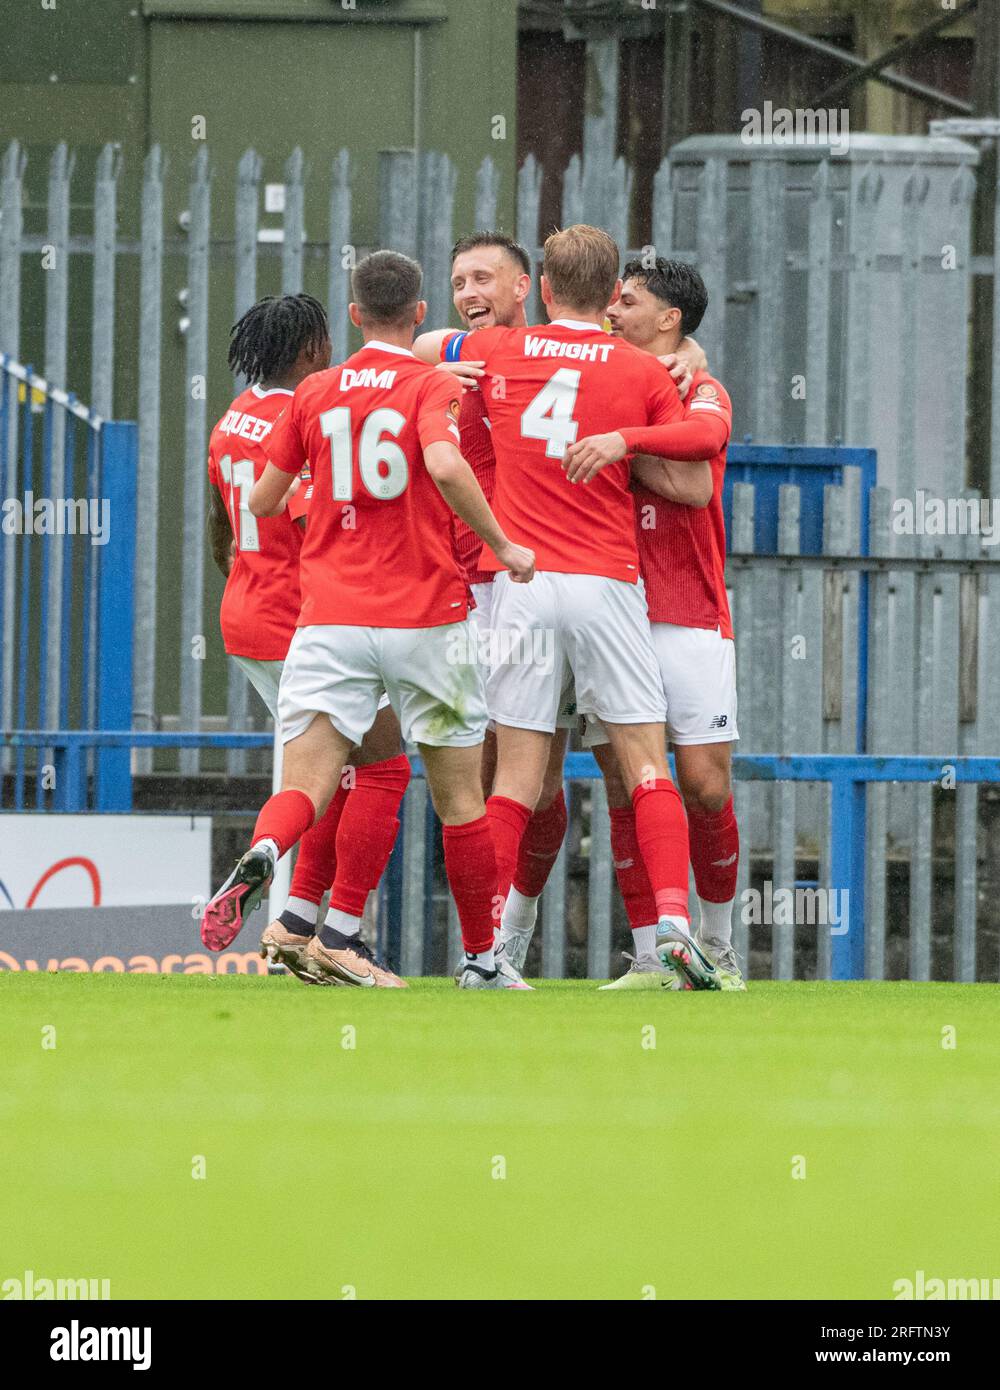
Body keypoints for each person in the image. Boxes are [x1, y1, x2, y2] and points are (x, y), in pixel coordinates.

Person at [200, 251, 536, 989]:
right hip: (425, 617)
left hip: (329, 621)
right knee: (460, 800)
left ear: (354, 316)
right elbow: (447, 468)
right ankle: (482, 960)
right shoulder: (430, 382)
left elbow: (259, 502)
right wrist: (504, 543)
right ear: (419, 314)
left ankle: (264, 860)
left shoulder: (314, 394)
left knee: (311, 783)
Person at [415, 224, 720, 989]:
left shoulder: (498, 354)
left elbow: (422, 350)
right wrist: (644, 417)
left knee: (514, 779)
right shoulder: (639, 369)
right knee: (647, 766)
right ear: (613, 294)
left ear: (543, 290)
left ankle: (484, 955)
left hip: (521, 581)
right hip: (606, 582)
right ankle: (677, 934)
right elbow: (701, 442)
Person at [204, 294, 411, 985]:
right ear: (308, 351)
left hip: (245, 616)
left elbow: (222, 529)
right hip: (304, 620)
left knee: (335, 773)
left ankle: (293, 923)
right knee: (383, 767)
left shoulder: (230, 418)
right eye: (323, 343)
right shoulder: (296, 416)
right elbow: (301, 516)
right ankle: (341, 934)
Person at [567, 260, 745, 991]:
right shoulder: (595, 378)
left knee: (704, 784)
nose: (613, 310)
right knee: (624, 786)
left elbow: (701, 461)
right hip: (614, 610)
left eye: (629, 301)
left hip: (691, 610)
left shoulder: (698, 384)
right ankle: (651, 954)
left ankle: (720, 944)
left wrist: (624, 444)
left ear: (670, 320)